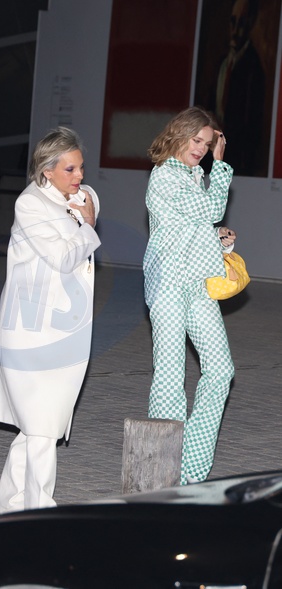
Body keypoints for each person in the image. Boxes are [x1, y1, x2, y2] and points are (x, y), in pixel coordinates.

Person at [0, 126, 101, 512]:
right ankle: (39, 512)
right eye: (70, 169)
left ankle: (10, 506)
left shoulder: (81, 195)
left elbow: (89, 201)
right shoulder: (30, 204)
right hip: (31, 331)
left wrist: (84, 212)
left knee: (38, 427)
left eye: (81, 167)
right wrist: (88, 226)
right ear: (47, 171)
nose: (80, 176)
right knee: (43, 426)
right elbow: (63, 258)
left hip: (65, 329)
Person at [143, 106, 236, 485]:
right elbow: (211, 209)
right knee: (169, 375)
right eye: (196, 140)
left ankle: (192, 462)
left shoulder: (194, 175)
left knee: (221, 369)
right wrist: (221, 165)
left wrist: (219, 240)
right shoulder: (165, 174)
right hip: (168, 282)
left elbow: (194, 225)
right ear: (179, 134)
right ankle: (163, 469)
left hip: (197, 283)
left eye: (208, 144)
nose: (201, 149)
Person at [214, 0, 264, 175]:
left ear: (250, 24)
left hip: (235, 165)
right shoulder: (222, 64)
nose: (235, 31)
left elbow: (250, 130)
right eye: (233, 22)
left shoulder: (254, 70)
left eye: (241, 24)